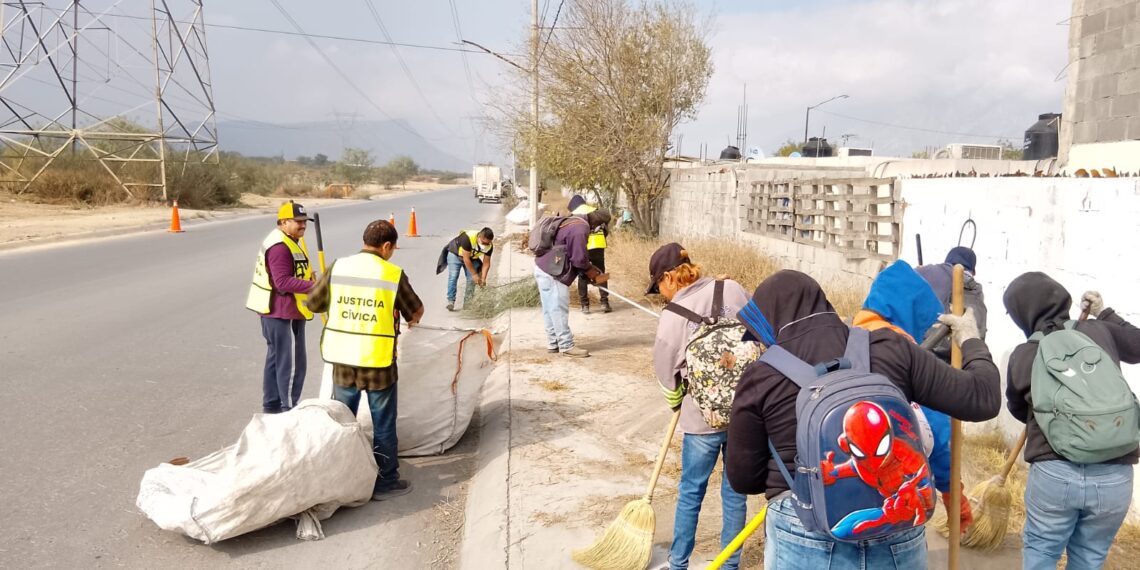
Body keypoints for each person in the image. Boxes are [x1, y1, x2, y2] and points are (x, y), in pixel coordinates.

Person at [725, 270, 1000, 569]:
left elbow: (744, 479)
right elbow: (983, 399)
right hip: (896, 532)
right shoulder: (890, 348)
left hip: (804, 529)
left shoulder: (761, 376)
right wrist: (970, 338)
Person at [1003, 273, 1140, 570]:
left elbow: (1017, 408)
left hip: (1055, 473)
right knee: (1089, 558)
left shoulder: (1025, 354)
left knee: (1041, 553)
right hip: (1115, 476)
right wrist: (1106, 314)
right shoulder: (1101, 330)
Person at [648, 243, 750, 570]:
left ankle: (679, 564)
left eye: (659, 287)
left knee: (691, 492)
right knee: (735, 494)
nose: (661, 294)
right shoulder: (733, 288)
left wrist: (678, 397)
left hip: (700, 421)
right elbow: (761, 335)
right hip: (745, 414)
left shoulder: (672, 316)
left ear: (669, 278)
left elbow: (667, 376)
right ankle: (729, 565)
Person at [851, 260, 973, 534]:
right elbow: (938, 438)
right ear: (912, 313)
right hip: (896, 508)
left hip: (840, 505)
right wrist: (953, 493)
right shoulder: (908, 360)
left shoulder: (842, 339)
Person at [306, 219, 424, 500]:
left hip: (343, 360)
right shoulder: (392, 274)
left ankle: (339, 478)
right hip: (377, 362)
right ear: (386, 246)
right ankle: (385, 482)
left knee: (342, 423)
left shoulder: (338, 266)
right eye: (393, 247)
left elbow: (313, 303)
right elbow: (416, 311)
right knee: (383, 424)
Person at [245, 201, 316, 414]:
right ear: (284, 222)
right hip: (279, 311)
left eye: (305, 222)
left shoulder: (291, 239)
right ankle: (287, 407)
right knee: (289, 362)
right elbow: (282, 282)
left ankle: (272, 406)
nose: (303, 226)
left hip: (287, 310)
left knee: (277, 359)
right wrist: (316, 286)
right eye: (298, 222)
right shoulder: (279, 247)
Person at [533, 208, 611, 357]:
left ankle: (553, 343)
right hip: (552, 272)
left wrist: (588, 269)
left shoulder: (573, 220)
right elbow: (579, 259)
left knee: (550, 309)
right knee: (558, 309)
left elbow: (575, 255)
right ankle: (566, 345)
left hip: (542, 267)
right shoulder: (581, 228)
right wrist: (591, 272)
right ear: (599, 224)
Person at [916, 246, 987, 360]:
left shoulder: (926, 271)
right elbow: (975, 334)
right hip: (943, 361)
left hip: (913, 352)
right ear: (973, 271)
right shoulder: (972, 288)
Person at [569, 194, 611, 314]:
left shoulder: (574, 216)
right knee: (601, 273)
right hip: (598, 245)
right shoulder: (596, 212)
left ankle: (585, 305)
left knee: (582, 274)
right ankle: (604, 303)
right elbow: (606, 224)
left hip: (584, 246)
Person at [440, 227, 494, 311]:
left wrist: (483, 279)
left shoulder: (489, 246)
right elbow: (466, 259)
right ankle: (451, 301)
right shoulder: (467, 238)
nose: (485, 245)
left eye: (488, 243)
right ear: (479, 237)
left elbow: (486, 263)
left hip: (471, 257)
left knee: (471, 280)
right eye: (483, 243)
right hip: (455, 254)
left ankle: (467, 304)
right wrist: (475, 274)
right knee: (453, 276)